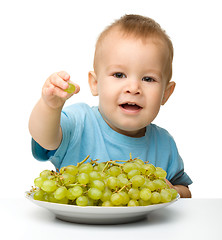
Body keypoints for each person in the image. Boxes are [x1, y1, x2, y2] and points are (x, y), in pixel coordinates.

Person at [29, 14, 192, 198]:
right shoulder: (79, 122)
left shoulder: (164, 144)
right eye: (119, 75)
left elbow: (185, 192)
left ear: (166, 93)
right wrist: (50, 106)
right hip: (76, 226)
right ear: (95, 83)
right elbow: (44, 137)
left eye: (148, 79)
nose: (133, 88)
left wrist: (173, 191)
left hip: (142, 227)